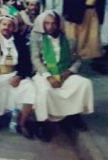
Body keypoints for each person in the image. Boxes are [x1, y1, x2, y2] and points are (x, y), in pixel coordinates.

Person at [31, 10, 94, 141]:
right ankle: (42, 123)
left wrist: (70, 72)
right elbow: (35, 59)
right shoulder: (37, 39)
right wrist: (48, 76)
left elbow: (78, 60)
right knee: (44, 91)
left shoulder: (69, 40)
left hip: (64, 73)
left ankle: (74, 115)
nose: (50, 26)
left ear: (59, 24)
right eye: (47, 23)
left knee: (84, 83)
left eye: (53, 23)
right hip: (44, 74)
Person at [0, 16, 35, 137]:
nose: (6, 27)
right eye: (4, 24)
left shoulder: (19, 39)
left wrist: (19, 76)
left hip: (14, 74)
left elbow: (26, 62)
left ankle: (22, 123)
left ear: (14, 28)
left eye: (10, 25)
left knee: (30, 88)